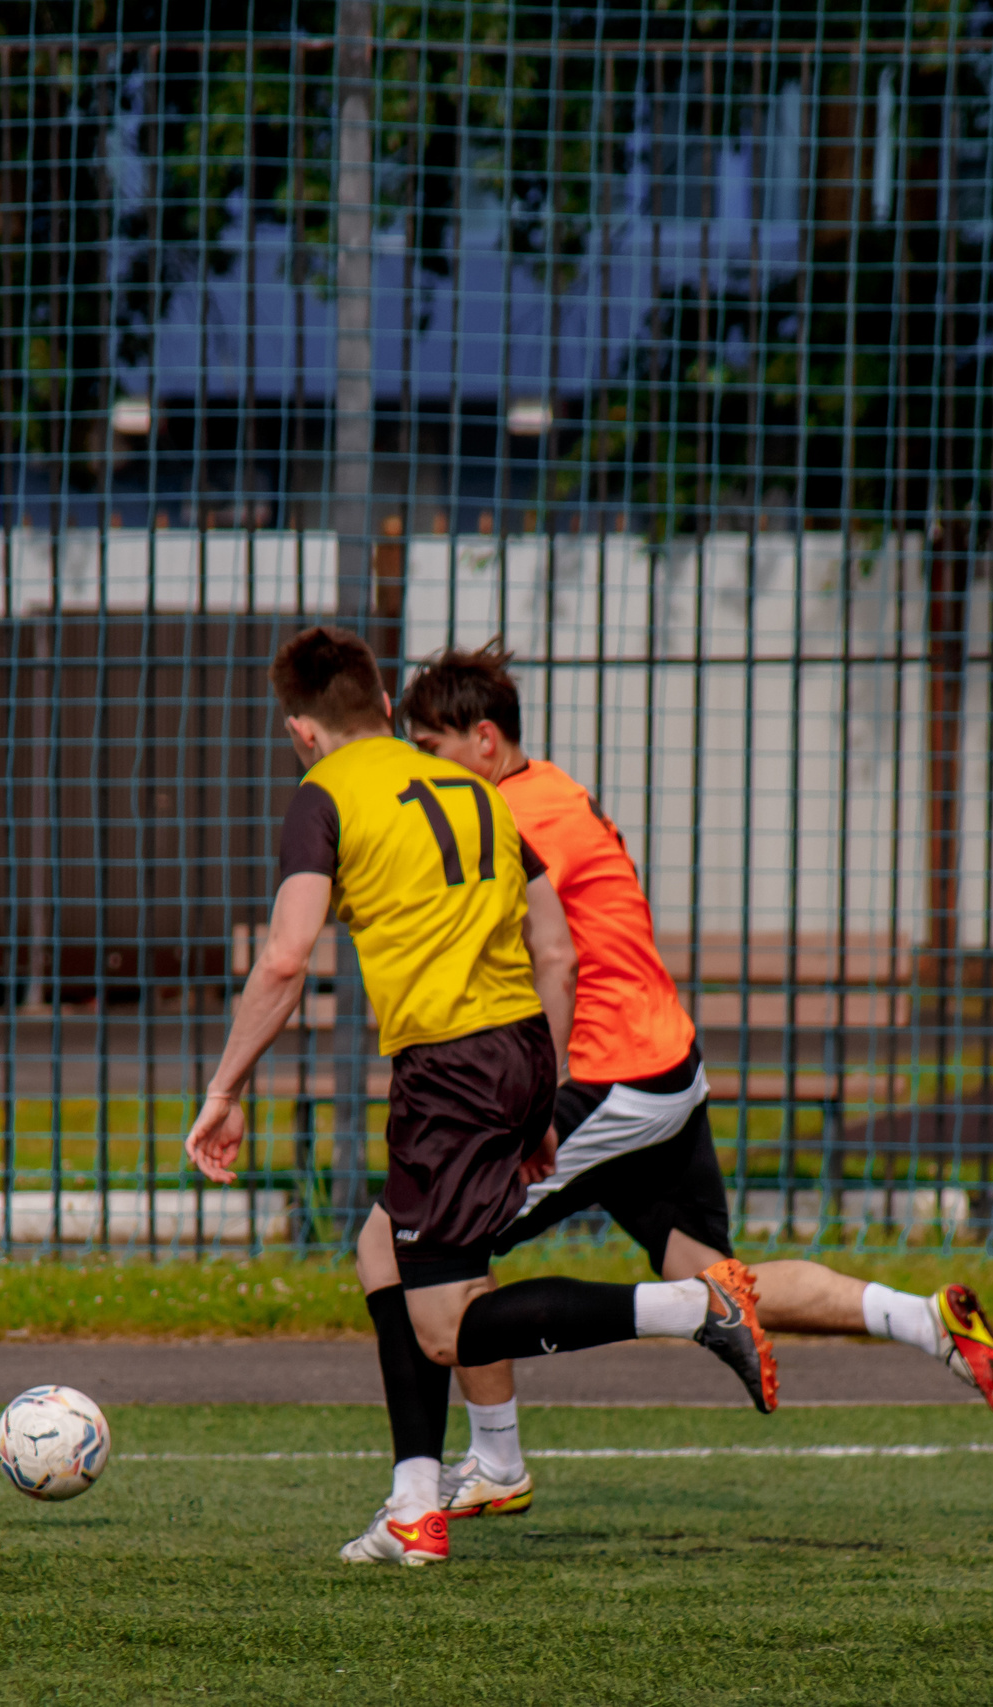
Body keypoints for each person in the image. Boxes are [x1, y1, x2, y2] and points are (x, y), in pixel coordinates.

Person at [388, 641, 993, 1524]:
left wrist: (532, 1096)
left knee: (424, 1252)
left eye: (428, 747)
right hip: (665, 1070)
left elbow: (547, 965)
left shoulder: (507, 818)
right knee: (723, 1276)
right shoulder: (551, 788)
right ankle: (924, 1320)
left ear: (485, 741)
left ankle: (496, 1460)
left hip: (608, 1076)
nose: (419, 767)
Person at [182, 626, 776, 1568]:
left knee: (446, 1323)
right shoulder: (482, 791)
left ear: (301, 731)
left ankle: (694, 1308)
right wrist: (542, 1096)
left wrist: (225, 1086)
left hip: (448, 1069)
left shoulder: (322, 795)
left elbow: (286, 958)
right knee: (383, 1243)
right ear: (385, 707)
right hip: (524, 1050)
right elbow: (555, 950)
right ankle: (415, 1499)